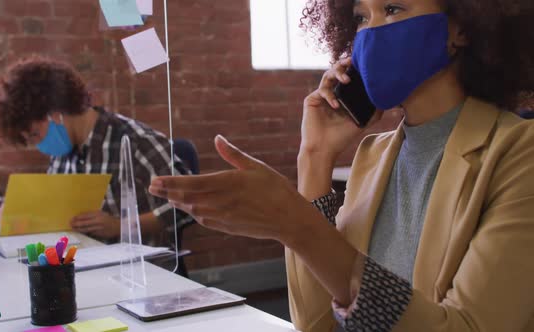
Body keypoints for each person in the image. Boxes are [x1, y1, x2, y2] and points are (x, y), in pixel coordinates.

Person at [148, 0, 534, 331]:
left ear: (461, 28)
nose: (371, 33)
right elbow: (317, 324)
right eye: (361, 16)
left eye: (393, 9)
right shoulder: (372, 154)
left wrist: (294, 224)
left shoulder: (519, 153)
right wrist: (315, 158)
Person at [0, 56, 192, 245]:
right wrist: (20, 216)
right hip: (85, 265)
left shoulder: (135, 142)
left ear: (54, 113)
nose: (39, 144)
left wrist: (120, 226)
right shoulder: (62, 155)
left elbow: (188, 205)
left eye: (34, 134)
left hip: (143, 273)